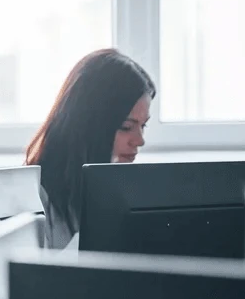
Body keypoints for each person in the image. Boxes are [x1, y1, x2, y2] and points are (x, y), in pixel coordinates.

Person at [25, 48, 155, 249]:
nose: (139, 140)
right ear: (89, 126)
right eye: (126, 127)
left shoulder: (123, 192)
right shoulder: (35, 198)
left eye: (143, 125)